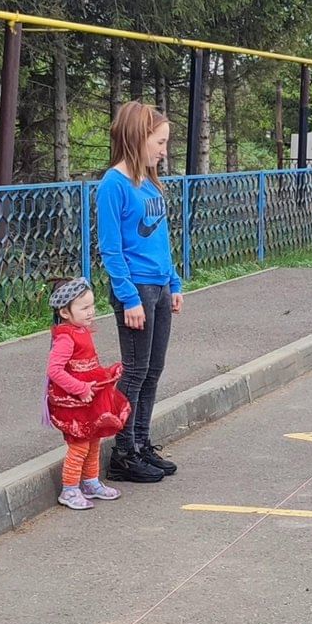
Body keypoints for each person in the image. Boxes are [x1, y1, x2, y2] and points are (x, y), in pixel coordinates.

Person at [95, 101, 184, 484]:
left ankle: (142, 442)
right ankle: (123, 452)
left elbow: (160, 240)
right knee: (134, 372)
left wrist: (174, 282)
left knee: (153, 370)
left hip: (159, 286)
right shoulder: (112, 185)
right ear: (138, 137)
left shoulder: (149, 183)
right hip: (136, 290)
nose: (164, 151)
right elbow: (111, 249)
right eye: (159, 142)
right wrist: (129, 297)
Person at [44, 278, 132, 510]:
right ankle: (70, 489)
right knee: (79, 443)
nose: (91, 312)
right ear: (64, 311)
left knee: (94, 440)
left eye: (92, 306)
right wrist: (80, 388)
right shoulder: (65, 337)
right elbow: (54, 370)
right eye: (84, 308)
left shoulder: (80, 330)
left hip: (90, 395)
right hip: (75, 401)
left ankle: (90, 481)